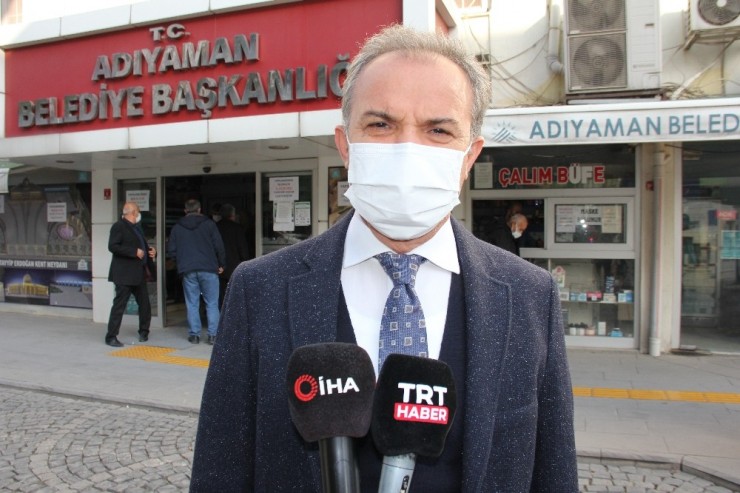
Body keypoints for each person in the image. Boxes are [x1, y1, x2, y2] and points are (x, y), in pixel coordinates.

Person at [190, 25, 576, 491]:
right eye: (381, 124)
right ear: (344, 145)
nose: (406, 149)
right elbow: (222, 469)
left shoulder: (531, 296)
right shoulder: (259, 289)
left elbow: (552, 474)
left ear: (469, 156)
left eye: (438, 129)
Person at [167, 199, 226, 345]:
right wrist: (221, 264)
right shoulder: (209, 225)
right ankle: (213, 336)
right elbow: (219, 246)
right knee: (211, 303)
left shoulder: (177, 228)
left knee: (192, 303)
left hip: (188, 270)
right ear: (199, 210)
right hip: (209, 269)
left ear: (185, 211)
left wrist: (181, 262)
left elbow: (171, 251)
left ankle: (194, 335)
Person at [105, 201, 156, 347]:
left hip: (138, 273)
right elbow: (113, 246)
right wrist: (134, 252)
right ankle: (111, 336)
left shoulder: (136, 229)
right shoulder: (119, 226)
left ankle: (144, 331)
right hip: (124, 274)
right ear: (133, 213)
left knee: (145, 304)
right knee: (119, 305)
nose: (138, 215)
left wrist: (151, 251)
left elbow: (143, 247)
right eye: (138, 212)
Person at [215, 203, 250, 308]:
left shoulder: (215, 227)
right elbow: (242, 248)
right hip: (234, 265)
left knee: (220, 292)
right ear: (232, 215)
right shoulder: (237, 228)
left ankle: (221, 312)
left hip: (218, 265)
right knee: (234, 292)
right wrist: (246, 262)